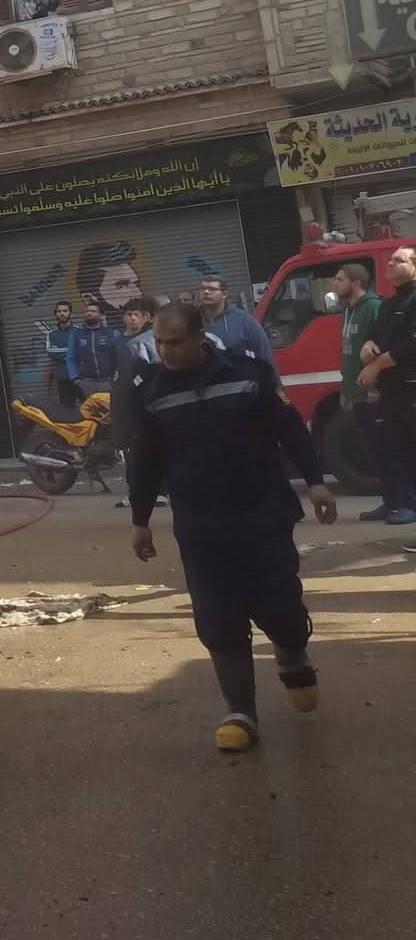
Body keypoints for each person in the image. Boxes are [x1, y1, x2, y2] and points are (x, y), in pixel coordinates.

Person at [124, 302, 336, 753]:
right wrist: (140, 519)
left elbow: (290, 428)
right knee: (218, 616)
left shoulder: (250, 373)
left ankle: (292, 655)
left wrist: (315, 481)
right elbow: (145, 459)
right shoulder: (151, 391)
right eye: (159, 342)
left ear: (201, 337)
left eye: (175, 342)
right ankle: (241, 712)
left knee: (281, 606)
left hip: (263, 514)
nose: (165, 351)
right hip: (201, 524)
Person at [336, 261, 409, 525]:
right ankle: (390, 502)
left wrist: (376, 387)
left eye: (340, 279)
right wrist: (345, 388)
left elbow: (382, 346)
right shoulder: (348, 310)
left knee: (391, 451)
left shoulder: (374, 307)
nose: (335, 284)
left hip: (373, 393)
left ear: (355, 283)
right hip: (356, 392)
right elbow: (348, 353)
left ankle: (404, 502)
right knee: (375, 452)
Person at [359, 247, 416, 538]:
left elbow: (412, 344)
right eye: (390, 260)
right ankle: (405, 504)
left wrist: (377, 365)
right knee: (402, 453)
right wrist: (368, 346)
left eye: (399, 260)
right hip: (392, 393)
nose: (390, 264)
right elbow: (378, 337)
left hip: (412, 389)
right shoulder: (387, 305)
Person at [110, 296, 165, 511]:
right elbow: (114, 371)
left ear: (146, 318)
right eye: (129, 314)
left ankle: (160, 492)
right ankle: (134, 493)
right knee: (130, 449)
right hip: (124, 401)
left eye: (136, 314)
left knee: (154, 446)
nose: (132, 318)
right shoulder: (117, 342)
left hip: (147, 400)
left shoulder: (152, 339)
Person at [199, 274, 272, 360]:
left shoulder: (245, 321)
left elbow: (264, 355)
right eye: (203, 288)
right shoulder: (191, 320)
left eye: (212, 289)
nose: (206, 292)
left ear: (224, 294)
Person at [68, 295, 121, 401]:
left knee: (111, 409)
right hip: (87, 383)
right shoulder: (76, 334)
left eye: (93, 311)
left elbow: (121, 356)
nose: (89, 313)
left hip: (108, 382)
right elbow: (71, 358)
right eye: (87, 311)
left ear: (101, 315)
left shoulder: (112, 333)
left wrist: (118, 375)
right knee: (90, 410)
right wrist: (75, 379)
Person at [44, 301, 77, 407]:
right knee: (67, 410)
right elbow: (50, 352)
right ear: (55, 314)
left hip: (81, 377)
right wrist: (73, 351)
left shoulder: (79, 332)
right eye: (59, 311)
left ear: (71, 314)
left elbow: (84, 351)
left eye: (65, 311)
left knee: (90, 409)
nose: (62, 313)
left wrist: (59, 351)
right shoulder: (51, 334)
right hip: (63, 379)